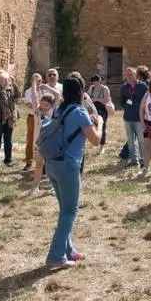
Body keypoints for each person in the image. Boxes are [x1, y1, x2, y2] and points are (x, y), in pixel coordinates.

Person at [43, 75, 102, 270]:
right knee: (70, 211)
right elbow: (95, 140)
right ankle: (56, 256)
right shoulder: (79, 112)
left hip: (52, 163)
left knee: (65, 210)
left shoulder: (60, 109)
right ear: (81, 91)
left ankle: (68, 249)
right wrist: (99, 123)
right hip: (68, 165)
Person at [120, 67, 148, 170]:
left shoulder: (143, 86)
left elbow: (147, 100)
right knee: (130, 141)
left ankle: (143, 161)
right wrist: (129, 107)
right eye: (127, 74)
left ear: (136, 75)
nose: (129, 76)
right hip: (127, 118)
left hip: (139, 118)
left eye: (131, 74)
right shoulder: (123, 87)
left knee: (141, 140)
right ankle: (133, 160)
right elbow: (122, 102)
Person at [87, 75, 115, 153]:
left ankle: (102, 146)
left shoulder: (105, 88)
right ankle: (96, 140)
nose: (95, 82)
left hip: (102, 109)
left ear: (100, 80)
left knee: (102, 126)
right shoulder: (91, 88)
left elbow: (106, 100)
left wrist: (95, 99)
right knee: (93, 125)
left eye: (97, 80)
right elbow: (88, 98)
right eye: (93, 81)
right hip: (93, 109)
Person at [23, 73, 42, 171]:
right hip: (32, 117)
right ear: (32, 81)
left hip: (43, 118)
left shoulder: (44, 90)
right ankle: (29, 162)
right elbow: (29, 104)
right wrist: (39, 109)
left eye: (39, 80)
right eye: (35, 80)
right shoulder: (28, 91)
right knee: (30, 139)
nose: (38, 83)